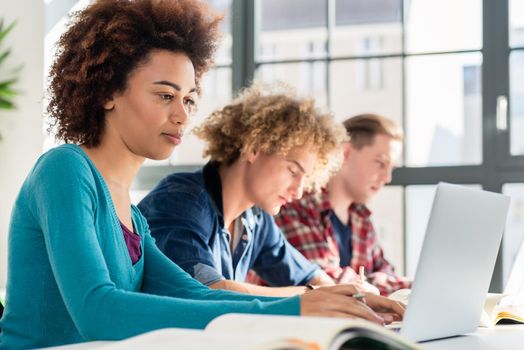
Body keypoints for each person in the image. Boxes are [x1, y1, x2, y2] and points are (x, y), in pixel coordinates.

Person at [0, 2, 403, 349]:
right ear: (107, 90)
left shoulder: (132, 213)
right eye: (164, 95)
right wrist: (298, 308)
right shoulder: (65, 170)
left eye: (189, 99)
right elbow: (97, 310)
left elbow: (194, 295)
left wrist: (319, 304)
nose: (182, 115)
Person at [139, 83, 393, 301]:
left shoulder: (255, 219)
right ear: (254, 148)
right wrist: (314, 295)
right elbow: (209, 292)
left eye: (306, 178)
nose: (298, 191)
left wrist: (354, 294)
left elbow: (308, 275)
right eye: (293, 171)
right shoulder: (181, 201)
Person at [274, 114, 412, 296]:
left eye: (391, 168)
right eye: (380, 163)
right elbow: (326, 282)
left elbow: (385, 270)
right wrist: (407, 286)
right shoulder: (297, 205)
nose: (387, 178)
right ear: (346, 154)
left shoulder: (360, 216)